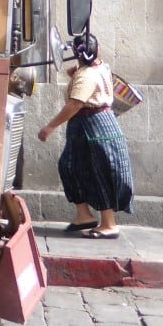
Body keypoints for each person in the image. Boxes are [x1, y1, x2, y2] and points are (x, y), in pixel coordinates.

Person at [36, 33, 134, 238]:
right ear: (97, 51)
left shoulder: (86, 75)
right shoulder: (100, 67)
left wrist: (50, 127)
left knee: (100, 171)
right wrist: (77, 74)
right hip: (88, 124)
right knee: (69, 167)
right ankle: (84, 215)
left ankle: (109, 224)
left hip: (94, 124)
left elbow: (75, 104)